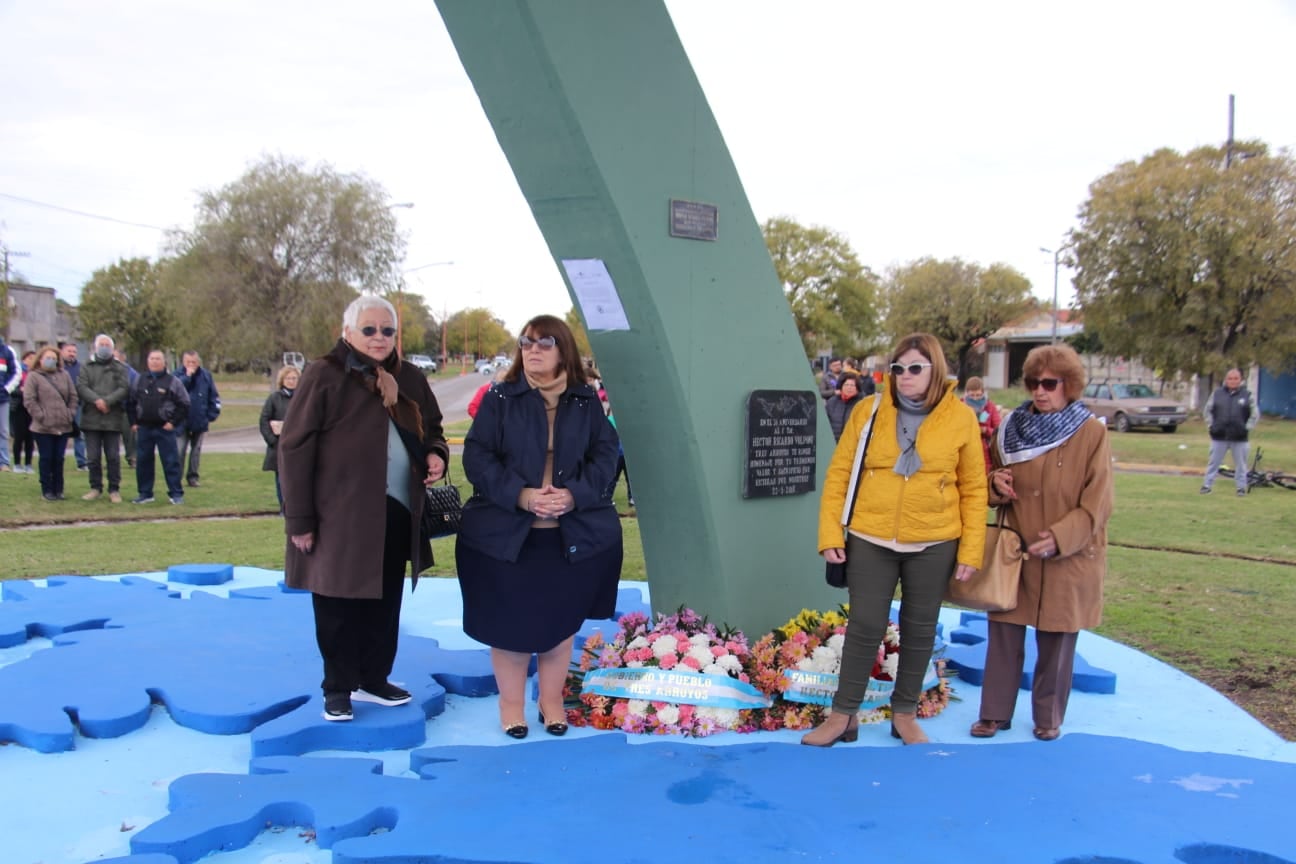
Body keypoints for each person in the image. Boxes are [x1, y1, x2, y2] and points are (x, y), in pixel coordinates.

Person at [805, 332, 986, 747]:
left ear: (935, 370)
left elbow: (974, 489)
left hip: (935, 540)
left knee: (920, 629)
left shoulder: (960, 418)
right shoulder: (868, 411)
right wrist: (831, 532)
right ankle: (842, 715)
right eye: (898, 368)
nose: (904, 377)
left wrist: (971, 550)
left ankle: (904, 714)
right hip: (870, 535)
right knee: (865, 625)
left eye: (915, 369)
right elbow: (838, 475)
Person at [279, 295, 449, 723]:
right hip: (338, 514)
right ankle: (337, 687)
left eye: (387, 330)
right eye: (369, 329)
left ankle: (374, 678)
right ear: (348, 332)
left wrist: (435, 454)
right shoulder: (325, 374)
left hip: (395, 509)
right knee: (336, 603)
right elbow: (295, 447)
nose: (378, 338)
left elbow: (433, 428)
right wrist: (299, 519)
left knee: (385, 599)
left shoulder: (408, 376)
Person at [457, 314, 623, 739]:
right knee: (508, 627)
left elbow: (606, 459)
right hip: (507, 537)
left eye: (544, 342)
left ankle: (550, 702)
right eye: (526, 342)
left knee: (559, 624)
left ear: (562, 349)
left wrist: (573, 496)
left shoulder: (586, 401)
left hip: (568, 537)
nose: (532, 349)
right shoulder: (500, 398)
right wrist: (523, 496)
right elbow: (477, 458)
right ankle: (511, 705)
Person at [971, 344, 1113, 742]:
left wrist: (1062, 536)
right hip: (1015, 551)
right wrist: (994, 486)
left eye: (1049, 383)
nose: (1039, 390)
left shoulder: (1092, 433)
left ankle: (1048, 717)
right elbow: (987, 479)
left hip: (1069, 553)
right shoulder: (1010, 428)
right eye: (1034, 382)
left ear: (1070, 386)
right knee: (1003, 633)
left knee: (1058, 639)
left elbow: (1099, 501)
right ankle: (993, 714)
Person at [128, 350, 190, 505]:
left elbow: (184, 403)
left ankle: (175, 493)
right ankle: (145, 493)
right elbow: (130, 402)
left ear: (164, 362)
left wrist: (173, 422)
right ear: (148, 361)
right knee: (143, 462)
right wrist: (133, 422)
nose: (154, 361)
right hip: (144, 428)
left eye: (158, 359)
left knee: (170, 461)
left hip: (164, 429)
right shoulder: (139, 380)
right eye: (152, 359)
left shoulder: (172, 381)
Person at [76, 334, 130, 503]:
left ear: (112, 349)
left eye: (107, 345)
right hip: (91, 418)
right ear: (95, 347)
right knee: (92, 457)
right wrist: (97, 400)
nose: (104, 347)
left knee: (113, 456)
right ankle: (95, 487)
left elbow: (124, 388)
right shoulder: (87, 366)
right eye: (102, 344)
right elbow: (82, 386)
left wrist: (107, 401)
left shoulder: (119, 368)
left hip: (112, 418)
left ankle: (114, 489)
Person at [22, 345, 78, 501]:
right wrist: (41, 416)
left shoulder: (64, 375)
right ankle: (47, 490)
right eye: (48, 357)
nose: (51, 361)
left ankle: (58, 490)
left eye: (54, 358)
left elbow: (73, 396)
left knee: (59, 459)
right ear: (40, 359)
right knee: (46, 458)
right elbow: (29, 400)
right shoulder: (34, 376)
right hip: (43, 427)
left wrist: (70, 413)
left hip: (63, 424)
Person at [1200, 368, 1258, 497]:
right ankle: (1206, 486)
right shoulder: (1217, 394)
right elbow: (1207, 411)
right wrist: (1211, 426)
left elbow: (1254, 414)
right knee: (1213, 463)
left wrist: (1246, 428)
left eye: (1236, 378)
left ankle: (1241, 488)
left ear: (1240, 380)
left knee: (1241, 465)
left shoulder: (1247, 395)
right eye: (1230, 378)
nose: (1233, 381)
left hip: (1239, 438)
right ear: (1226, 380)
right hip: (1219, 436)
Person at [175, 350, 221, 488]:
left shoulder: (206, 376)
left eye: (193, 362)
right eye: (188, 362)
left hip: (200, 420)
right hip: (181, 421)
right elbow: (175, 390)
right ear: (183, 362)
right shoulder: (177, 375)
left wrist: (211, 415)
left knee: (196, 451)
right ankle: (176, 478)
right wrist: (187, 376)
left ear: (198, 362)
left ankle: (193, 477)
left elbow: (214, 396)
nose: (191, 364)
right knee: (180, 450)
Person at [259, 365, 299, 510]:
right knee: (281, 479)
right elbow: (264, 420)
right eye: (288, 378)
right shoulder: (274, 398)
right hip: (279, 445)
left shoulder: (303, 397)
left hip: (298, 445)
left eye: (294, 378)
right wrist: (272, 440)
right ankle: (284, 508)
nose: (291, 381)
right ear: (283, 380)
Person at [962, 376, 1002, 473]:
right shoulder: (960, 406)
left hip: (985, 452)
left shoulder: (990, 406)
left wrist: (985, 430)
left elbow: (999, 431)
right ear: (967, 393)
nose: (975, 398)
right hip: (964, 449)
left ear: (983, 392)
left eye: (978, 395)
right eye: (972, 395)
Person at [59, 341, 87, 470]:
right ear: (62, 352)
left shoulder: (81, 368)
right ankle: (58, 460)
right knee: (60, 433)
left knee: (79, 434)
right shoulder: (58, 367)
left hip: (77, 405)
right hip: (59, 406)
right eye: (69, 351)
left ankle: (81, 462)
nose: (72, 354)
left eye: (74, 352)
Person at [9, 351, 37, 473]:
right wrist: (22, 391)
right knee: (19, 437)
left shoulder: (36, 373)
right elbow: (10, 388)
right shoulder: (17, 372)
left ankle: (28, 464)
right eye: (30, 358)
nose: (32, 361)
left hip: (32, 409)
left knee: (30, 438)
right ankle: (17, 464)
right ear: (24, 359)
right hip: (19, 408)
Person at [114, 349, 138, 469]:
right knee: (111, 437)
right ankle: (112, 460)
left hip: (125, 408)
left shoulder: (131, 373)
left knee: (129, 436)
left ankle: (132, 458)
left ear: (123, 358)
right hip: (110, 409)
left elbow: (135, 389)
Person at [824, 372, 864, 441]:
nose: (849, 388)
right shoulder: (832, 402)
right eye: (846, 385)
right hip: (833, 443)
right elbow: (825, 423)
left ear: (857, 388)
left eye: (852, 385)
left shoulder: (863, 404)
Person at [0, 334, 18, 472]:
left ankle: (4, 462)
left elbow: (16, 373)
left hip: (2, 399)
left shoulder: (7, 351)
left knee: (3, 432)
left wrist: (6, 389)